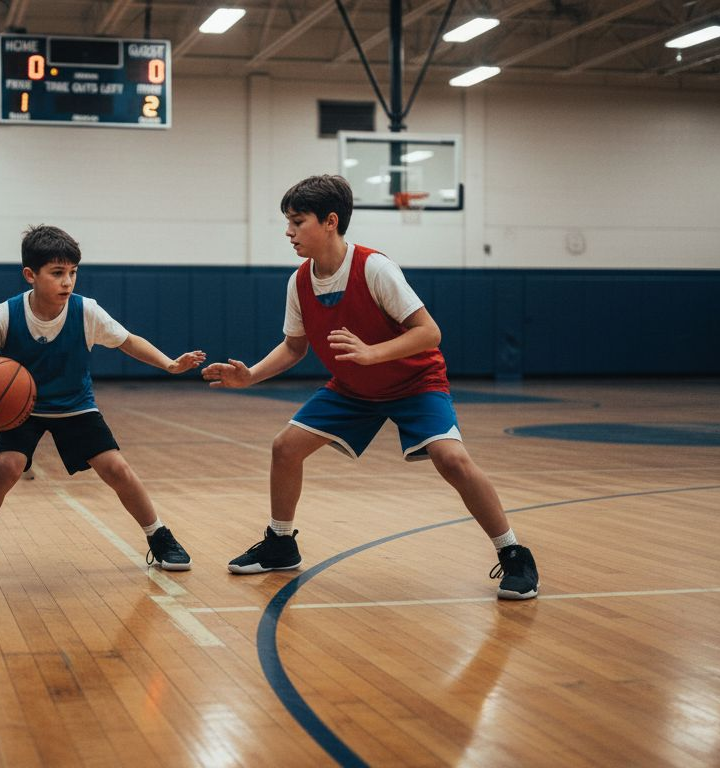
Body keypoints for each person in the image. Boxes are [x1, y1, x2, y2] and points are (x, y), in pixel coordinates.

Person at [201, 175, 539, 600]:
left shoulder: (374, 268)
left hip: (415, 383)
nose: (288, 231)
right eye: (287, 222)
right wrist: (250, 375)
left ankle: (513, 553)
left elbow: (429, 333)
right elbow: (294, 347)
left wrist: (372, 353)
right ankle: (281, 543)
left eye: (297, 221)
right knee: (285, 448)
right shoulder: (300, 281)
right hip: (354, 389)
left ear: (330, 221)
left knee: (452, 460)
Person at [0, 224, 206, 583]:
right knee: (6, 467)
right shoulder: (6, 313)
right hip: (24, 410)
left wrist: (169, 364)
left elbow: (128, 341)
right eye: (57, 273)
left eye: (72, 272)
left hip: (75, 405)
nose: (67, 281)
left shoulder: (86, 311)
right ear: (30, 275)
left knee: (116, 468)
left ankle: (159, 536)